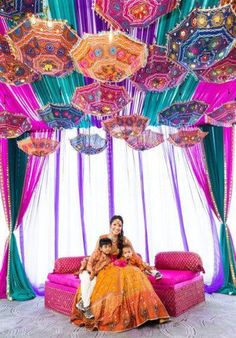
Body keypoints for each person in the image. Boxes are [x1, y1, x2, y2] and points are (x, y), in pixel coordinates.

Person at [71, 215, 169, 332]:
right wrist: (91, 269)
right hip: (105, 267)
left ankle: (155, 313)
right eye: (115, 224)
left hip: (120, 264)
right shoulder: (102, 238)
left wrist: (141, 264)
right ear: (110, 225)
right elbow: (96, 254)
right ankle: (92, 308)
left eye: (120, 225)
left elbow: (133, 254)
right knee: (109, 283)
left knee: (137, 273)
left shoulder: (124, 240)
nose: (117, 227)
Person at [75, 237, 113, 319]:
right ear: (100, 248)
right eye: (105, 247)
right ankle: (86, 307)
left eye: (109, 246)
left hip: (94, 275)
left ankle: (81, 303)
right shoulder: (96, 253)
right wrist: (91, 272)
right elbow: (89, 263)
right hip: (86, 271)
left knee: (93, 286)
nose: (108, 249)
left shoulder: (108, 259)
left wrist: (94, 274)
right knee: (86, 283)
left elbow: (101, 269)